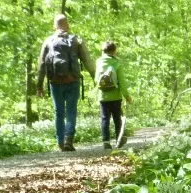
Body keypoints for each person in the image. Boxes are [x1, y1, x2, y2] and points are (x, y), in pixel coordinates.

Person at [36, 14, 96, 151]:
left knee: (59, 112)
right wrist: (95, 78)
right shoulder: (75, 40)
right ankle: (69, 138)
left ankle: (60, 142)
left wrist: (39, 86)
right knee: (71, 111)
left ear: (54, 26)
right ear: (67, 25)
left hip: (55, 81)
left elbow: (41, 66)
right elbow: (87, 61)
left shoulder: (48, 41)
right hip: (72, 80)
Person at [94, 41, 132, 149]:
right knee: (117, 118)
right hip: (115, 96)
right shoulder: (116, 63)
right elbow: (121, 82)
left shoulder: (99, 62)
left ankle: (106, 141)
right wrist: (127, 96)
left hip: (103, 97)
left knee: (104, 118)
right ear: (114, 51)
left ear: (103, 51)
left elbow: (97, 79)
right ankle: (118, 139)